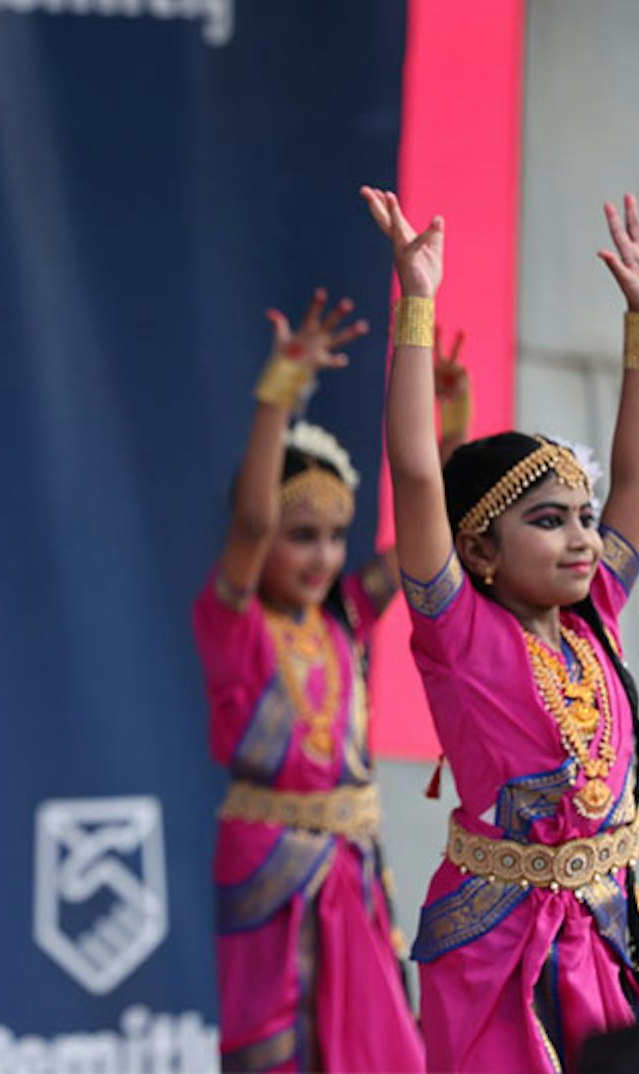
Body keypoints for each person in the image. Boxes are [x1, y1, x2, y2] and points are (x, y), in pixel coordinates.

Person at [369, 185, 639, 1072]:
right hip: (498, 959)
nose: (584, 537)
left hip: (606, 934)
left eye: (584, 516)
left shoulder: (594, 618)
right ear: (481, 549)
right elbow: (418, 475)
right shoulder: (458, 632)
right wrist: (416, 304)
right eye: (549, 521)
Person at [196, 289, 431, 1072]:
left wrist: (450, 433)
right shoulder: (234, 620)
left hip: (353, 861)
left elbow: (415, 549)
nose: (323, 557)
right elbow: (253, 526)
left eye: (334, 537)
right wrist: (278, 397)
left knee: (368, 1042)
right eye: (304, 537)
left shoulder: (346, 619)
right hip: (269, 863)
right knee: (279, 1049)